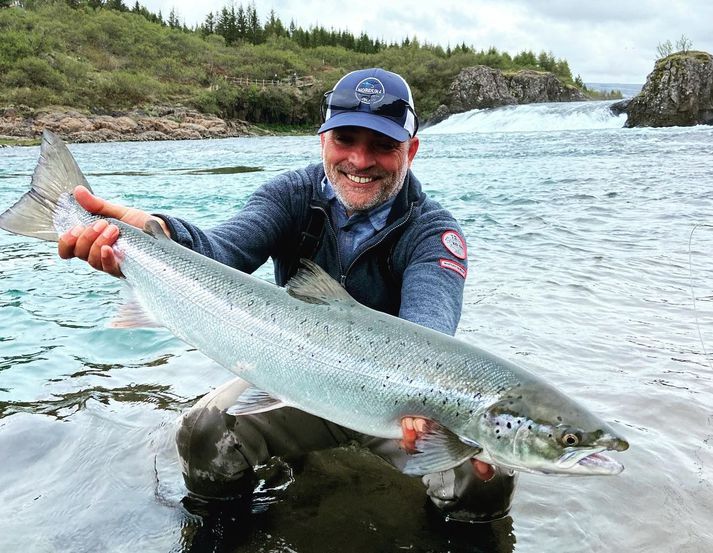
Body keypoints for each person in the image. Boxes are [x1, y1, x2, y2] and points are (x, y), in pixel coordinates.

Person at [57, 68, 516, 523]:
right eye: (346, 140)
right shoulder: (290, 195)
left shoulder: (434, 232)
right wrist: (159, 233)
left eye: (383, 145)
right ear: (323, 141)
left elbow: (430, 331)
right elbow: (224, 252)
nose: (360, 160)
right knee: (203, 436)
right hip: (295, 373)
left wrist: (429, 409)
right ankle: (233, 530)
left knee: (486, 479)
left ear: (411, 150)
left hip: (397, 405)